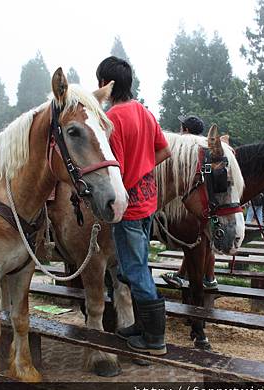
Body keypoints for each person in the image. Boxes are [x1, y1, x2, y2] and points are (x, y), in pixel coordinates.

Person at [97, 56, 171, 355]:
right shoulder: (145, 112)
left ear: (106, 84)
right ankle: (142, 326)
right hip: (149, 202)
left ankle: (155, 339)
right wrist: (143, 168)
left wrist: (128, 177)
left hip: (127, 207)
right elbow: (164, 151)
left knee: (135, 269)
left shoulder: (112, 118)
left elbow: (112, 169)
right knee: (134, 266)